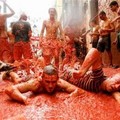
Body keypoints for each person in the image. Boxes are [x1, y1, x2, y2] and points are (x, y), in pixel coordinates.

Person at [5, 64, 85, 104]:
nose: (50, 86)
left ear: (57, 79)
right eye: (47, 82)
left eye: (53, 82)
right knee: (17, 80)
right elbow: (9, 89)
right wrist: (24, 99)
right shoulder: (34, 84)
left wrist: (72, 96)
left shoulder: (60, 82)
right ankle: (10, 72)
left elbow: (79, 91)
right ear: (42, 79)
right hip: (31, 78)